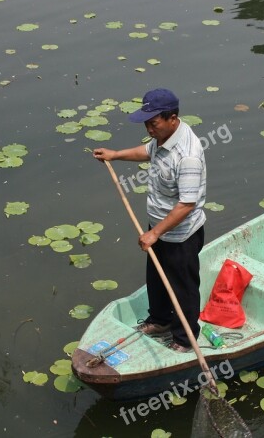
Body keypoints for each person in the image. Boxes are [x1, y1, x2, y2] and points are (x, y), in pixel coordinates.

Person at [93, 88, 206, 353]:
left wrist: (155, 233)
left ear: (172, 119)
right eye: (147, 123)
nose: (149, 129)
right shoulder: (162, 137)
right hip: (158, 226)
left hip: (181, 233)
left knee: (183, 287)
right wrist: (115, 155)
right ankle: (160, 320)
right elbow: (148, 151)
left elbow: (187, 205)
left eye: (153, 123)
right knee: (156, 277)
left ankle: (184, 339)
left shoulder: (187, 155)